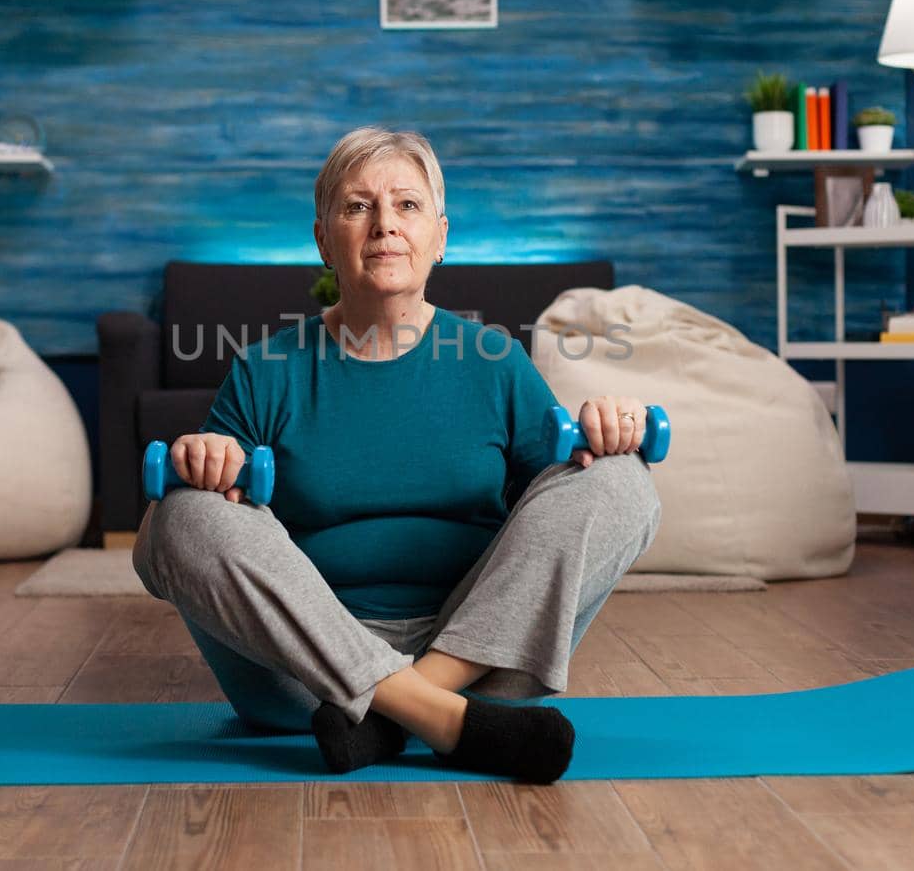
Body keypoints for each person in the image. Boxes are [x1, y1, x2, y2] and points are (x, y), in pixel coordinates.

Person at [133, 126, 661, 784]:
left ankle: (395, 710)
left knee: (624, 479)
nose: (384, 224)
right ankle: (434, 715)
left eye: (407, 205)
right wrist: (202, 460)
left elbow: (562, 497)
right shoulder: (267, 369)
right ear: (324, 239)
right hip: (304, 681)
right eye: (357, 206)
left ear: (440, 236)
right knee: (177, 515)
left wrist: (615, 427)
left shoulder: (494, 360)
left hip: (483, 664)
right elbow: (183, 545)